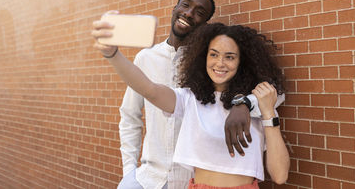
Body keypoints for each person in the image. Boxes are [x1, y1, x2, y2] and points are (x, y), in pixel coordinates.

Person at [92, 20, 290, 188]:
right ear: (203, 58)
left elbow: (280, 176)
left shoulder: (258, 102)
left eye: (229, 57)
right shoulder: (189, 99)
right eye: (213, 54)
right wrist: (113, 55)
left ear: (242, 62)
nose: (220, 63)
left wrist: (251, 106)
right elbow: (149, 89)